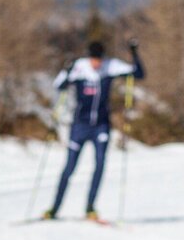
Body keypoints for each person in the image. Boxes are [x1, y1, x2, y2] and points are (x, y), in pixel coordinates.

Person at [44, 39, 145, 221]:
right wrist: (67, 70)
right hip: (79, 126)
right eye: (93, 59)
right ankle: (54, 208)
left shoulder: (110, 66)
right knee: (69, 168)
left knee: (99, 165)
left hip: (101, 126)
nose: (96, 63)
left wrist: (134, 53)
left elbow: (138, 74)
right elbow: (59, 86)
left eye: (99, 60)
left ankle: (90, 208)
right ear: (89, 57)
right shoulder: (79, 67)